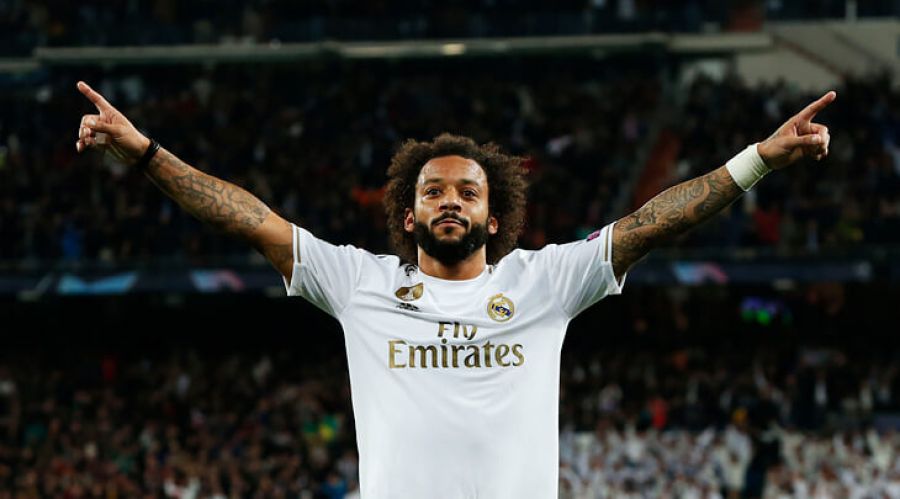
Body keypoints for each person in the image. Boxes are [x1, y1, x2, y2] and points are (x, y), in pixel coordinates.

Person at [74, 80, 834, 498]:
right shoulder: (359, 283)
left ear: (492, 216)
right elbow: (250, 219)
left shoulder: (543, 282)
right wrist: (144, 153)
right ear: (407, 215)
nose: (450, 201)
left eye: (467, 192)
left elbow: (649, 223)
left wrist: (758, 160)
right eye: (433, 190)